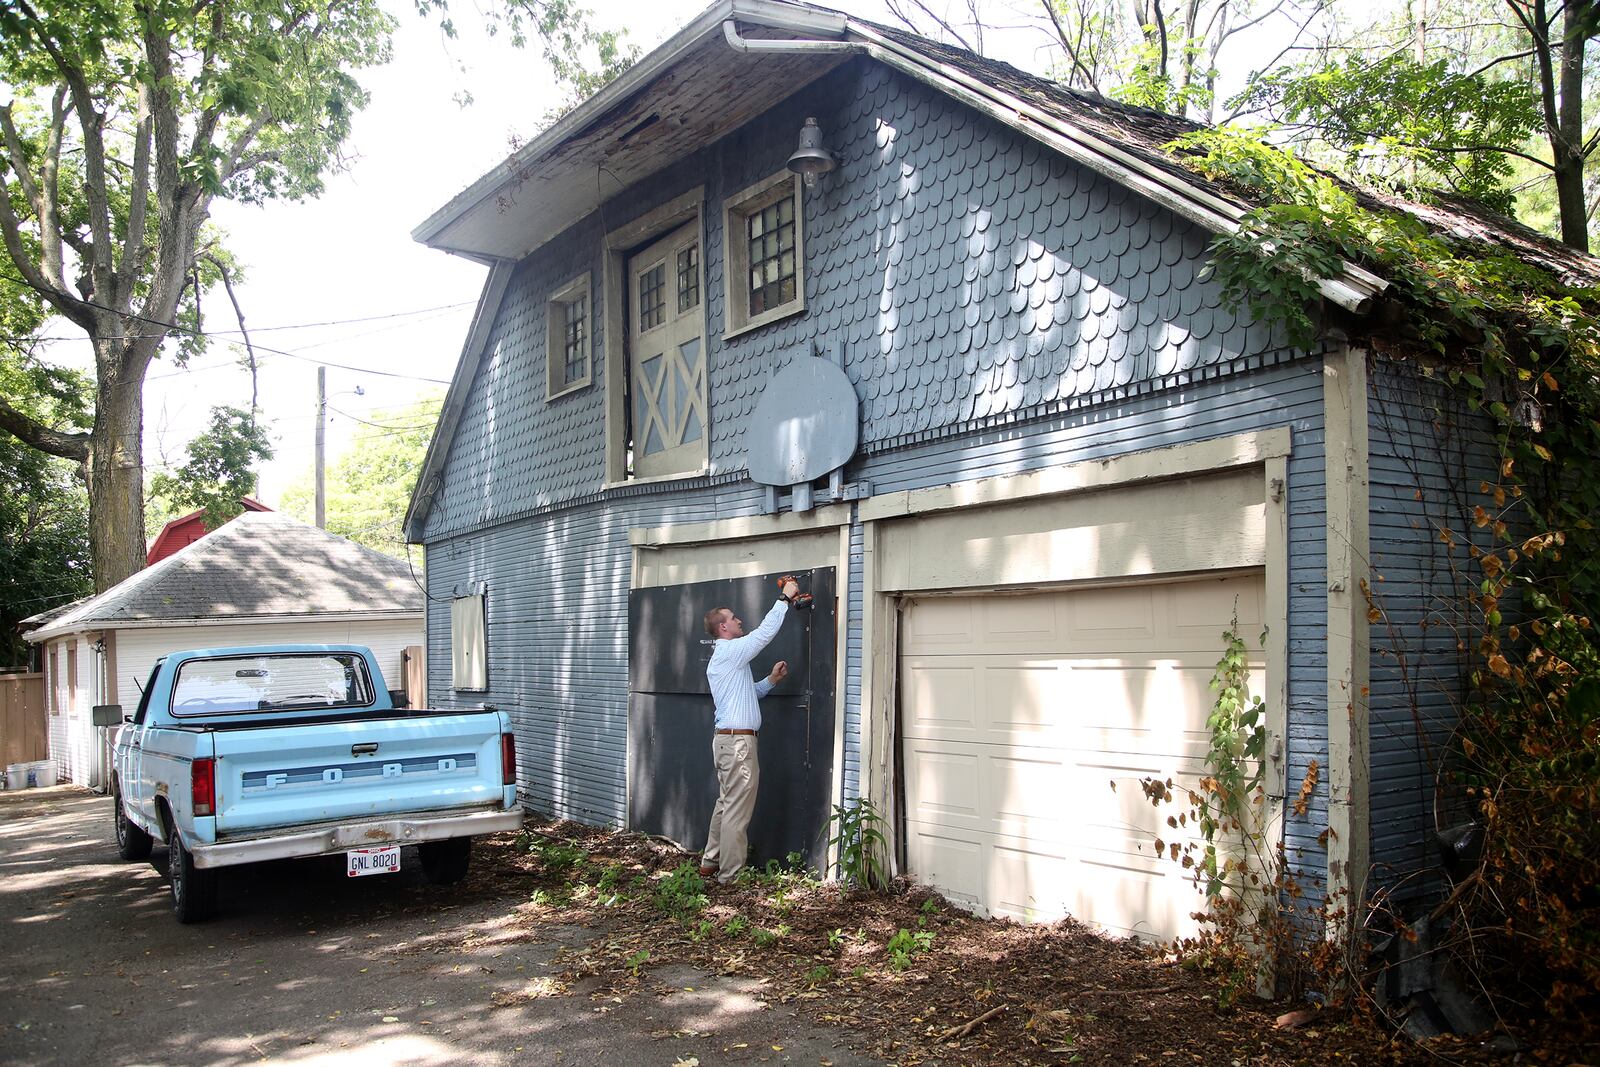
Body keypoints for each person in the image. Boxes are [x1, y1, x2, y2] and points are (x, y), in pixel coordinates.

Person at [698, 576, 804, 884]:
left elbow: (747, 695)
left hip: (729, 741)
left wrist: (770, 680)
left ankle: (710, 862)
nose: (739, 620)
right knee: (737, 811)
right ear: (723, 628)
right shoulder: (731, 652)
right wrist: (784, 598)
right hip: (738, 745)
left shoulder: (728, 660)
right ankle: (730, 876)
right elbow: (763, 635)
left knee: (726, 803)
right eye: (733, 618)